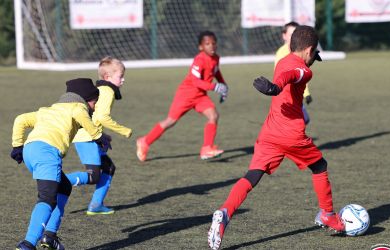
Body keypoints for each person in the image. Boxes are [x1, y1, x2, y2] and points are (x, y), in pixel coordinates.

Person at [207, 26, 344, 250]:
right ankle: (327, 215)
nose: (313, 61)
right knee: (320, 166)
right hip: (291, 135)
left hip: (270, 132)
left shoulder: (282, 60)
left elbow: (284, 74)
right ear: (309, 50)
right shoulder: (305, 71)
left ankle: (224, 213)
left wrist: (275, 86)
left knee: (252, 176)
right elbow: (294, 75)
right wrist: (275, 88)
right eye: (314, 57)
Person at [11, 78, 111, 250]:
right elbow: (81, 114)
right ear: (86, 100)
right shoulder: (78, 107)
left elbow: (20, 119)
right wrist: (97, 135)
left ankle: (49, 237)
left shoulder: (48, 110)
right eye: (94, 103)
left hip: (30, 151)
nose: (94, 107)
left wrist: (17, 146)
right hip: (47, 152)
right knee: (47, 199)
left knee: (64, 187)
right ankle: (27, 244)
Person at [136, 30, 228, 161]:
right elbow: (196, 81)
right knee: (170, 121)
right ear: (201, 47)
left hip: (200, 95)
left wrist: (223, 85)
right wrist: (215, 87)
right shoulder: (199, 60)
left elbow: (216, 71)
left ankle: (206, 149)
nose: (211, 46)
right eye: (207, 44)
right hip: (186, 94)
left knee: (213, 115)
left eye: (213, 43)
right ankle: (144, 141)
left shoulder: (216, 58)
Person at [65, 56, 132, 215]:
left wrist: (102, 135)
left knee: (108, 168)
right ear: (107, 77)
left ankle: (96, 205)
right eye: (120, 76)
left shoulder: (101, 89)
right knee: (93, 175)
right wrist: (123, 130)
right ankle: (58, 181)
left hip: (91, 135)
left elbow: (94, 117)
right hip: (86, 137)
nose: (123, 80)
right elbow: (102, 117)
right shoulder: (107, 91)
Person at [275, 21, 313, 125]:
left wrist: (306, 93)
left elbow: (302, 74)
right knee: (299, 121)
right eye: (291, 34)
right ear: (284, 36)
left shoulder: (300, 52)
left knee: (304, 120)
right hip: (286, 95)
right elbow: (279, 76)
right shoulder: (281, 54)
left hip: (297, 94)